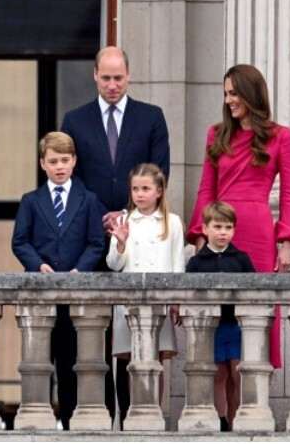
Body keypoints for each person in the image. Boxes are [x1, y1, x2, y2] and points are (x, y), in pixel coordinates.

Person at [60, 46, 170, 424]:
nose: (112, 85)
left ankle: (133, 416)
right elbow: (69, 179)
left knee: (132, 334)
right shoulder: (74, 120)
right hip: (88, 238)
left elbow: (159, 172)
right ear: (94, 75)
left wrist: (125, 212)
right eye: (105, 78)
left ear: (130, 74)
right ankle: (96, 415)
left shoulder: (151, 117)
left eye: (118, 78)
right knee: (89, 330)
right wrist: (100, 215)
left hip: (137, 236)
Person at [186, 64, 290, 371]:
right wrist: (200, 237)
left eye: (234, 93)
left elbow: (289, 194)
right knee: (217, 317)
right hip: (221, 230)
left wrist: (287, 242)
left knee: (258, 316)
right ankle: (224, 416)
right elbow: (205, 189)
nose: (228, 100)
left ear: (251, 94)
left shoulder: (282, 136)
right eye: (226, 94)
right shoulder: (217, 133)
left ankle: (256, 408)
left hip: (258, 233)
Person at [11, 132, 105, 430]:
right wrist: (38, 265)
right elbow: (20, 241)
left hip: (73, 296)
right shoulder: (31, 200)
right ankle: (37, 422)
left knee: (69, 360)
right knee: (38, 361)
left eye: (65, 160)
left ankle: (69, 422)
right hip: (40, 294)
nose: (59, 166)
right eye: (53, 161)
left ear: (74, 161)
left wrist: (81, 270)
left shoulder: (88, 200)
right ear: (42, 164)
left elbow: (96, 242)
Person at [106, 163, 183, 410]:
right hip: (129, 305)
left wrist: (176, 300)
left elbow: (177, 266)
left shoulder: (172, 222)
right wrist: (120, 243)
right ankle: (133, 415)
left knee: (156, 362)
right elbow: (113, 265)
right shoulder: (123, 219)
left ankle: (155, 414)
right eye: (135, 189)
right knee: (132, 363)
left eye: (145, 188)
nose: (139, 194)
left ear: (159, 191)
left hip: (158, 303)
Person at [186, 201, 256, 432]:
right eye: (217, 227)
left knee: (237, 374)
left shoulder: (241, 259)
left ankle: (236, 420)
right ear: (205, 229)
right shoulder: (196, 262)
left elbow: (254, 291)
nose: (223, 232)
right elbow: (190, 296)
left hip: (235, 326)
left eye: (228, 227)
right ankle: (220, 419)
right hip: (210, 328)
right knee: (218, 375)